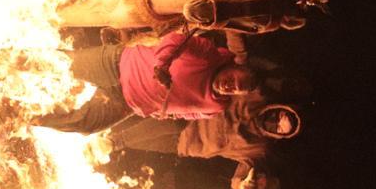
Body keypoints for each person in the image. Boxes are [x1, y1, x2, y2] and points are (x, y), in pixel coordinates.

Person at [34, 32, 258, 134]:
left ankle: (24, 117)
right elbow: (176, 40)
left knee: (84, 124)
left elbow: (187, 114)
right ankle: (4, 58)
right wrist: (161, 64)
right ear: (231, 66)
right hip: (117, 64)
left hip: (126, 104)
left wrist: (160, 112)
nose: (230, 86)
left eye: (236, 89)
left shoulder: (216, 107)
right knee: (58, 64)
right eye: (232, 79)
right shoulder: (209, 56)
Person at [106, 100, 302, 189]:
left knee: (134, 140)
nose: (273, 122)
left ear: (278, 135)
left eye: (278, 128)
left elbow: (239, 178)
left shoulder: (257, 149)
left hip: (184, 146)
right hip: (185, 119)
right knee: (123, 138)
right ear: (277, 108)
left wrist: (241, 187)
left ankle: (105, 136)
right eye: (278, 117)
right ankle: (109, 140)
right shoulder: (253, 99)